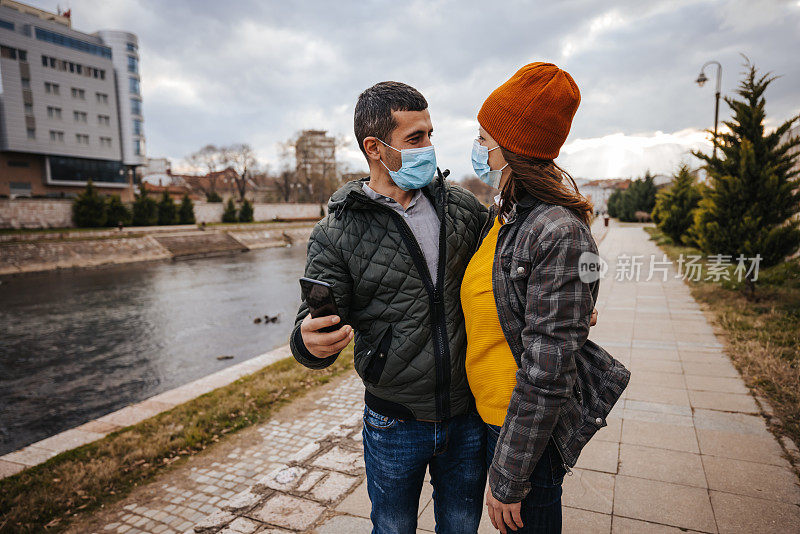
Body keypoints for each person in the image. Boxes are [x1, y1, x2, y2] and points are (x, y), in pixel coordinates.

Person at [290, 81, 490, 533]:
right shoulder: (335, 233)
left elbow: (508, 268)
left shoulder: (461, 208)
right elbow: (314, 320)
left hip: (466, 415)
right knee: (393, 528)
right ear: (375, 148)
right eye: (415, 139)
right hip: (393, 423)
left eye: (430, 135)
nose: (428, 148)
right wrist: (307, 343)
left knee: (461, 527)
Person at [461, 63, 630, 533]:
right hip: (486, 420)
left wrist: (510, 474)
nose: (478, 146)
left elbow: (547, 372)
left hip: (518, 437)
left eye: (484, 137)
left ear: (510, 148)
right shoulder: (508, 216)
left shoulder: (555, 229)